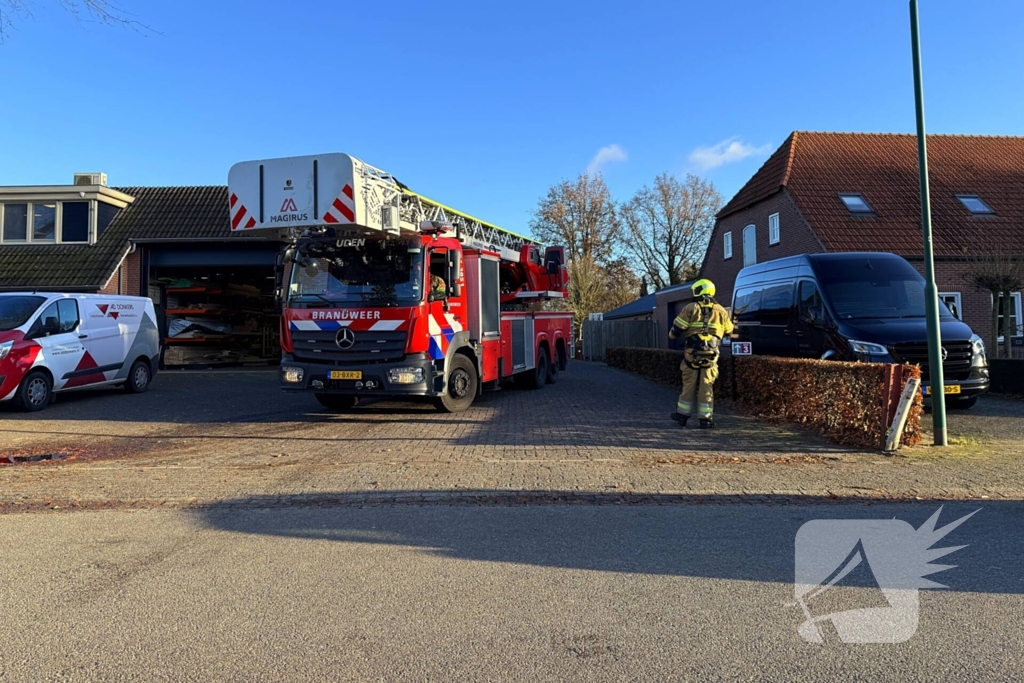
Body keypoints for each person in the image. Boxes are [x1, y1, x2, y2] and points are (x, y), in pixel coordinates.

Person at [668, 279, 733, 429]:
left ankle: (682, 417)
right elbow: (729, 331)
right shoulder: (721, 310)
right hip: (712, 355)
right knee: (707, 385)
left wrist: (672, 335)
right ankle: (706, 419)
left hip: (692, 354)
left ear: (698, 290)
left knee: (689, 384)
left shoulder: (690, 308)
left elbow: (676, 330)